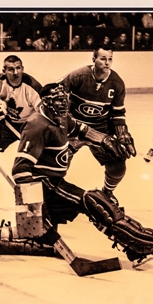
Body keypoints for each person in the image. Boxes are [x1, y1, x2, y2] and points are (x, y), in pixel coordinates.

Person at [10, 83, 153, 265]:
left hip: (55, 180)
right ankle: (136, 246)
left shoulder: (61, 119)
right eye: (57, 100)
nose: (63, 104)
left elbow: (81, 130)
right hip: (42, 183)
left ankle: (131, 247)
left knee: (90, 206)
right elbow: (20, 169)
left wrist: (104, 139)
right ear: (45, 102)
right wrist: (33, 208)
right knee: (92, 200)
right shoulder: (37, 125)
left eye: (64, 100)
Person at [59, 45, 136, 204]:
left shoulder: (117, 83)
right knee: (57, 160)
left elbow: (118, 113)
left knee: (118, 164)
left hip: (100, 131)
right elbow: (55, 93)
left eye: (110, 59)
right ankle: (55, 193)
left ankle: (107, 193)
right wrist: (65, 119)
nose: (107, 63)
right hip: (75, 128)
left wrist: (122, 134)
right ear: (94, 59)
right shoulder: (78, 76)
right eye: (103, 59)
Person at [0, 55, 42, 206]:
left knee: (35, 162)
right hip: (8, 125)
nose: (15, 73)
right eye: (11, 69)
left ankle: (38, 199)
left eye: (18, 68)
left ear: (22, 69)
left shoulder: (32, 87)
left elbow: (42, 112)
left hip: (29, 126)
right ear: (4, 71)